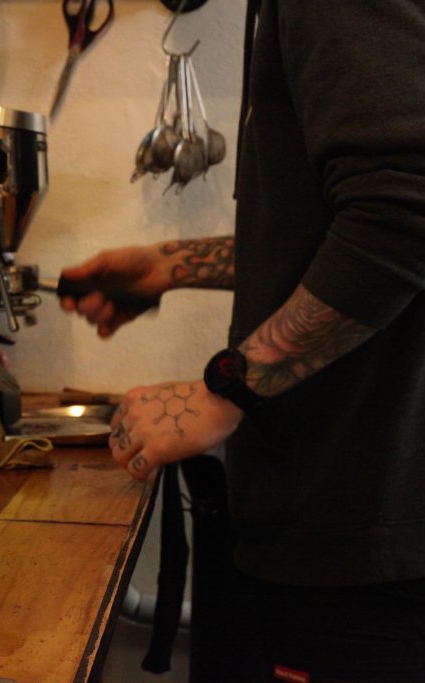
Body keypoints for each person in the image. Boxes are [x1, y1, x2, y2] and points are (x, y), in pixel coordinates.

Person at [59, 1, 425, 681]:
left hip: (357, 552)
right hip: (342, 532)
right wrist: (175, 262)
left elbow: (404, 212)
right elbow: (336, 224)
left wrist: (226, 387)